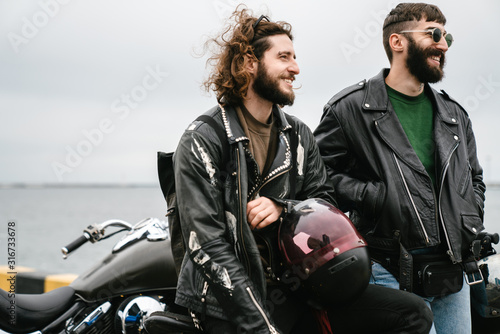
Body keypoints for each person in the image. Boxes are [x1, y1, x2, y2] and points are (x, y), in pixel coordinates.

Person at [167, 7, 432, 334]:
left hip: (295, 287)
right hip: (226, 301)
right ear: (250, 64)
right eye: (284, 57)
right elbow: (206, 244)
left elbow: (324, 200)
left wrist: (284, 208)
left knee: (413, 314)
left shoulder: (298, 135)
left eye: (295, 57)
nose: (295, 68)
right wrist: (262, 326)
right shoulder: (203, 139)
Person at [314, 3, 486, 334]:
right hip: (387, 269)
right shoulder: (349, 109)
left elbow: (474, 178)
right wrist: (373, 196)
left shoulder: (455, 114)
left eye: (447, 35)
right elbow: (316, 181)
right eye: (434, 33)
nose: (444, 44)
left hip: (454, 273)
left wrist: (469, 215)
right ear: (397, 42)